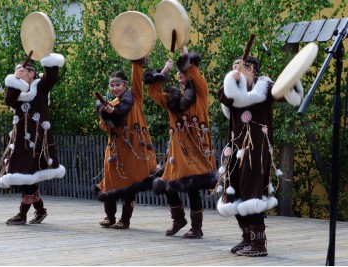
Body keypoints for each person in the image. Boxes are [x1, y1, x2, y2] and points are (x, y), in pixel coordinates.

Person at [216, 55, 303, 256]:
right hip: (236, 148)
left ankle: (258, 244)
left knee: (251, 191)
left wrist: (291, 78)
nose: (234, 68)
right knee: (233, 192)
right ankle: (247, 238)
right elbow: (223, 97)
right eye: (233, 66)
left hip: (257, 151)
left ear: (252, 69)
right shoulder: (233, 88)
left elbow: (284, 93)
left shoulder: (265, 87)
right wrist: (234, 78)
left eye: (238, 65)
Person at [143, 46, 217, 239]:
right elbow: (154, 93)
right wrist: (164, 71)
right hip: (177, 152)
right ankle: (178, 219)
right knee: (167, 185)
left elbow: (194, 71)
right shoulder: (172, 97)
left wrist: (185, 52)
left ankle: (197, 228)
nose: (180, 73)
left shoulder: (200, 93)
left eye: (183, 70)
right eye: (177, 72)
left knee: (193, 188)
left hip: (195, 149)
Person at [0, 53, 66, 225]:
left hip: (37, 141)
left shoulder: (40, 88)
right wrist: (14, 81)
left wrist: (48, 57)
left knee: (26, 174)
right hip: (19, 141)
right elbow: (9, 100)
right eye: (16, 71)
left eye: (22, 71)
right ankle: (40, 210)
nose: (18, 73)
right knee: (25, 175)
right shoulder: (17, 92)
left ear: (32, 73)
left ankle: (22, 214)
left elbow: (52, 77)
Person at [92, 58, 158, 230]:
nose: (115, 89)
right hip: (114, 151)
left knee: (130, 183)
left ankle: (125, 220)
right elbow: (104, 127)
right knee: (109, 183)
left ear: (125, 85)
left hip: (132, 149)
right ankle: (109, 217)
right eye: (112, 86)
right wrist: (107, 114)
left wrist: (136, 62)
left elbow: (137, 77)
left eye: (118, 85)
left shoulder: (135, 98)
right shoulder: (110, 104)